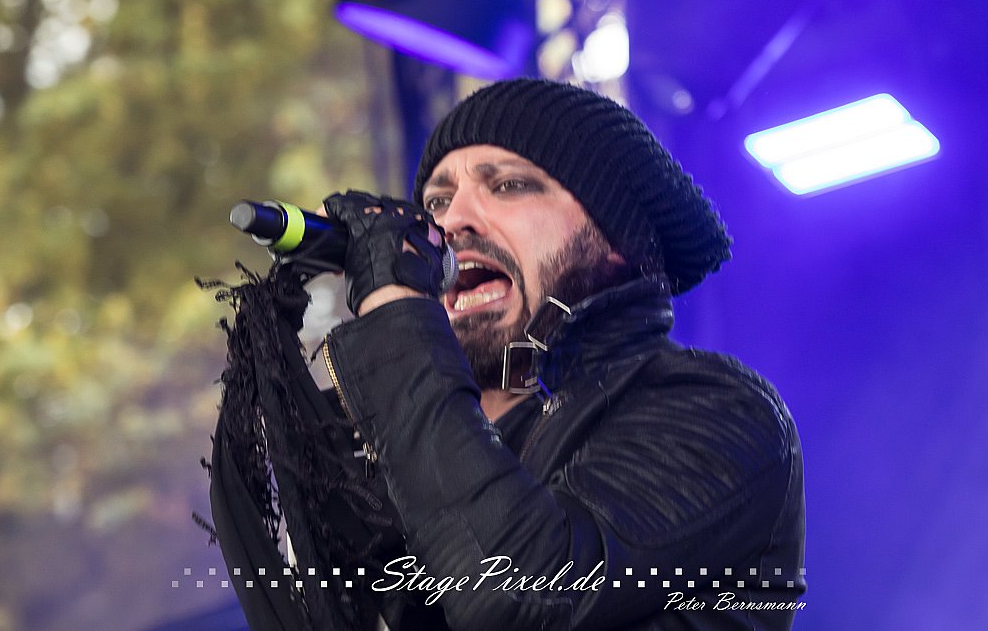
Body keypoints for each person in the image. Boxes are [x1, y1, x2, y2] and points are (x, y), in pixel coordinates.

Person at [207, 78, 806, 631]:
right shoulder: (391, 452)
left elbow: (521, 590)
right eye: (436, 204)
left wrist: (393, 307)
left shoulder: (713, 407)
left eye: (508, 185)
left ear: (616, 240)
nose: (453, 222)